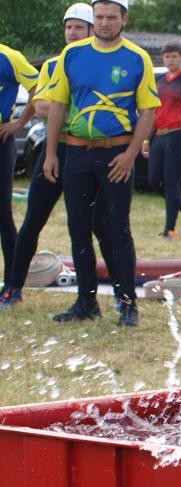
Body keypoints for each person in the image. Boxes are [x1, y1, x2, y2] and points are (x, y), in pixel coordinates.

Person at [40, 0, 160, 327]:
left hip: (116, 154)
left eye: (111, 17)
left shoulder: (137, 57)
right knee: (78, 228)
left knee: (117, 229)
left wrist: (130, 155)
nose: (105, 23)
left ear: (124, 18)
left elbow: (148, 112)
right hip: (77, 153)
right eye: (100, 17)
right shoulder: (72, 54)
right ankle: (86, 301)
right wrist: (51, 153)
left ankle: (128, 303)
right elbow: (57, 106)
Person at [2, 3, 112, 310]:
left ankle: (114, 294)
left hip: (88, 152)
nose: (72, 33)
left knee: (97, 226)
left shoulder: (103, 63)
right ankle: (13, 287)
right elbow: (41, 107)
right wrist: (79, 109)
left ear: (91, 30)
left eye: (78, 27)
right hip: (56, 149)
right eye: (69, 27)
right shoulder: (53, 65)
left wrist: (63, 107)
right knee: (33, 220)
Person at [145, 41, 181, 239]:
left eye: (174, 56)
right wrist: (146, 139)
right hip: (160, 134)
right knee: (155, 180)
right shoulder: (160, 80)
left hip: (180, 134)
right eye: (167, 56)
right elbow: (154, 111)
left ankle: (169, 230)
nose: (170, 60)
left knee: (171, 182)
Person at [0, 42, 39, 302]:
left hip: (2, 140)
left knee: (2, 213)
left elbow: (39, 89)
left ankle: (12, 284)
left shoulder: (10, 57)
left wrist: (19, 124)